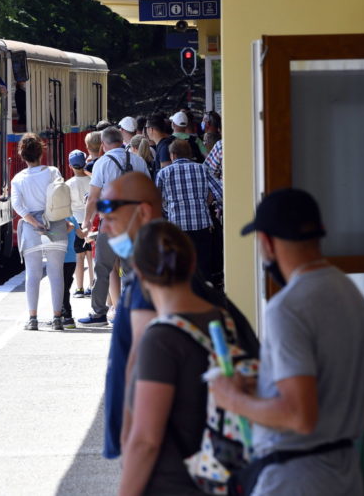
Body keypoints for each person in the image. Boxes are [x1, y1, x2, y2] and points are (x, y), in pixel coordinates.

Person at [211, 188, 364, 495]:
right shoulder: (352, 295)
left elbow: (299, 416)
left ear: (266, 242)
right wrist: (265, 388)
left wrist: (232, 399)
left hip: (293, 479)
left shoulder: (287, 308)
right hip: (345, 476)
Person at [96, 172, 258, 461]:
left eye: (110, 216)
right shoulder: (171, 273)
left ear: (143, 212)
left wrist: (134, 448)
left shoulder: (153, 283)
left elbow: (140, 366)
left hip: (164, 455)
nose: (104, 226)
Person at [117, 221, 225, 496]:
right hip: (222, 477)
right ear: (192, 264)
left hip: (174, 483)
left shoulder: (161, 340)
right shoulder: (224, 319)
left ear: (139, 272)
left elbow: (146, 441)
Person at [78, 127, 149, 327]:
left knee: (103, 267)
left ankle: (99, 314)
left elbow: (93, 197)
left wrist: (86, 222)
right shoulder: (138, 161)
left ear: (103, 145)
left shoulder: (102, 163)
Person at [10, 133, 70, 330]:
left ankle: (33, 319)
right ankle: (57, 318)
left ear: (22, 156)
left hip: (31, 229)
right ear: (41, 153)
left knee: (33, 274)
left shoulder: (18, 179)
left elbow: (17, 205)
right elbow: (60, 196)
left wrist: (34, 222)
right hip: (56, 224)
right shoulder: (53, 172)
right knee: (56, 273)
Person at [155, 139, 215, 285]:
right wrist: (204, 203)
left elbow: (156, 200)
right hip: (202, 224)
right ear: (189, 153)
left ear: (173, 155)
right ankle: (203, 293)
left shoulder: (164, 173)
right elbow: (218, 192)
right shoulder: (202, 169)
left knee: (180, 267)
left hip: (177, 226)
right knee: (203, 266)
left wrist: (167, 209)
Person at [66, 149, 94, 298]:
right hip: (91, 221)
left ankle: (79, 288)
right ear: (85, 164)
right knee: (91, 255)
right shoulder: (92, 181)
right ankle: (92, 285)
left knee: (79, 256)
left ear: (70, 166)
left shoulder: (68, 184)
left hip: (76, 223)